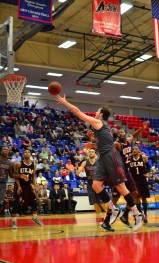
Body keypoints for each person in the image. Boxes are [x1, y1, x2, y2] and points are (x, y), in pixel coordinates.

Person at [55, 94, 143, 232]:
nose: (95, 113)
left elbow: (77, 112)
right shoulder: (102, 126)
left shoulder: (98, 122)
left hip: (111, 156)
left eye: (97, 111)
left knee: (121, 187)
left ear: (101, 114)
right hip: (103, 156)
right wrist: (93, 144)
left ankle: (137, 214)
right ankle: (113, 210)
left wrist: (65, 102)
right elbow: (105, 142)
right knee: (96, 185)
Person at [11, 149, 43, 229]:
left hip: (28, 185)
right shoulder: (18, 164)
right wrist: (18, 186)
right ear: (23, 154)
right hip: (19, 185)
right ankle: (14, 221)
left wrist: (35, 186)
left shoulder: (33, 165)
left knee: (34, 200)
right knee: (16, 202)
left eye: (28, 152)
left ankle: (35, 217)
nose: (27, 153)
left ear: (30, 155)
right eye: (25, 152)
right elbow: (16, 176)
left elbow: (33, 177)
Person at [76, 148, 107, 220]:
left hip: (98, 183)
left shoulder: (99, 162)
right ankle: (101, 217)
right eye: (90, 152)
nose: (91, 153)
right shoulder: (85, 162)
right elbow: (79, 170)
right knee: (94, 202)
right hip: (90, 184)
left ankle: (107, 215)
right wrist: (78, 171)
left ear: (95, 154)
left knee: (102, 201)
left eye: (92, 152)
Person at [129, 145, 150, 223]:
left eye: (136, 149)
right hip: (134, 180)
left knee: (144, 197)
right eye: (133, 149)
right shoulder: (129, 159)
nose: (134, 150)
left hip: (142, 179)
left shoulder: (143, 158)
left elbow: (148, 166)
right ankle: (140, 213)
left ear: (139, 151)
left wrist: (147, 173)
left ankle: (145, 214)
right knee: (137, 197)